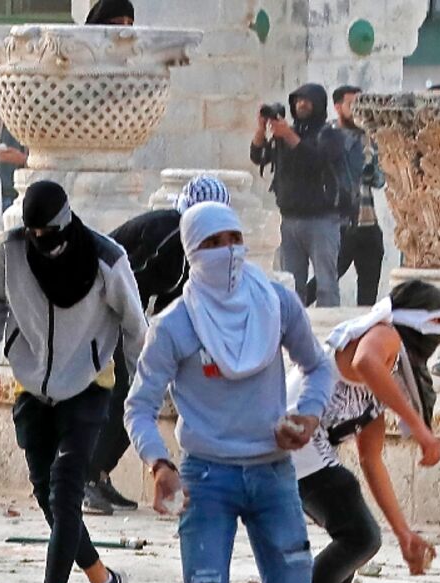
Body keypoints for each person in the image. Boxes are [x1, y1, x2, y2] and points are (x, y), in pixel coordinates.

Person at [124, 202, 334, 583]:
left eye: (235, 239)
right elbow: (140, 406)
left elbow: (318, 367)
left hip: (273, 475)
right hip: (206, 480)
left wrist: (307, 416)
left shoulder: (276, 304)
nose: (228, 253)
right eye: (213, 244)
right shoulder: (175, 325)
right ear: (193, 253)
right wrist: (159, 464)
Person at [0, 180, 147, 583]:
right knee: (48, 495)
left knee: (67, 488)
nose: (40, 241)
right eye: (32, 232)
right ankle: (103, 582)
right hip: (32, 385)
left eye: (48, 231)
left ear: (66, 223)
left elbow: (135, 326)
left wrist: (142, 390)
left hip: (89, 386)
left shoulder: (107, 259)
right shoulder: (10, 253)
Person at [279, 281, 440, 583]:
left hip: (305, 449)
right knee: (359, 535)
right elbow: (368, 362)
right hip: (290, 433)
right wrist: (419, 430)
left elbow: (373, 462)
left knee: (355, 536)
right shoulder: (380, 335)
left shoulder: (378, 395)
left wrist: (404, 533)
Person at [85, 175, 232, 515]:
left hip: (128, 320)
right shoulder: (168, 230)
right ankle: (82, 479)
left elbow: (175, 300)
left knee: (143, 395)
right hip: (99, 312)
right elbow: (122, 280)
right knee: (126, 392)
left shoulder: (195, 250)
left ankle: (99, 474)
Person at [251, 83, 346, 307]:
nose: (301, 104)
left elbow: (316, 159)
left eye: (307, 100)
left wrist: (289, 135)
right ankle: (294, 332)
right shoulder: (286, 134)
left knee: (326, 284)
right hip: (290, 220)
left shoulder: (329, 134)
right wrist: (261, 130)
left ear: (319, 104)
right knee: (292, 286)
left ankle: (329, 333)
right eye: (298, 100)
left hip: (321, 221)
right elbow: (259, 156)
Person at [330, 85, 386, 307]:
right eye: (351, 104)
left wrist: (370, 165)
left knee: (369, 292)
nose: (356, 110)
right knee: (327, 280)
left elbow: (380, 180)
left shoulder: (368, 137)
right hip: (341, 223)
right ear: (337, 107)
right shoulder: (329, 136)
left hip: (368, 222)